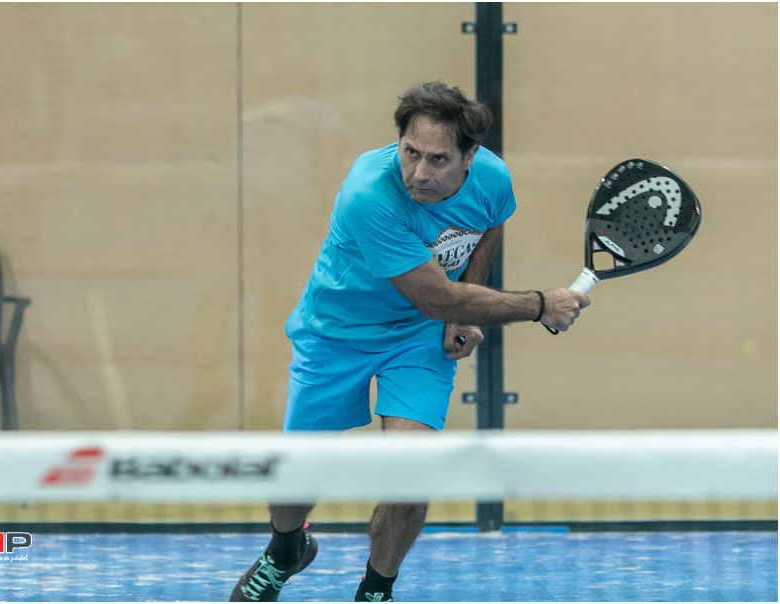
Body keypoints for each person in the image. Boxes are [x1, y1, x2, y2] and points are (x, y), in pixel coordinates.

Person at [230, 81, 590, 602]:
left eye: (438, 159)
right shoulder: (369, 195)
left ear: (470, 157)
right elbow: (436, 297)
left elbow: (489, 225)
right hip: (336, 333)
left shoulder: (492, 179)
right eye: (411, 152)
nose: (420, 172)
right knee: (296, 474)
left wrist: (466, 311)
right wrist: (539, 304)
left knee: (409, 470)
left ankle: (376, 589)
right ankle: (286, 548)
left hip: (418, 336)